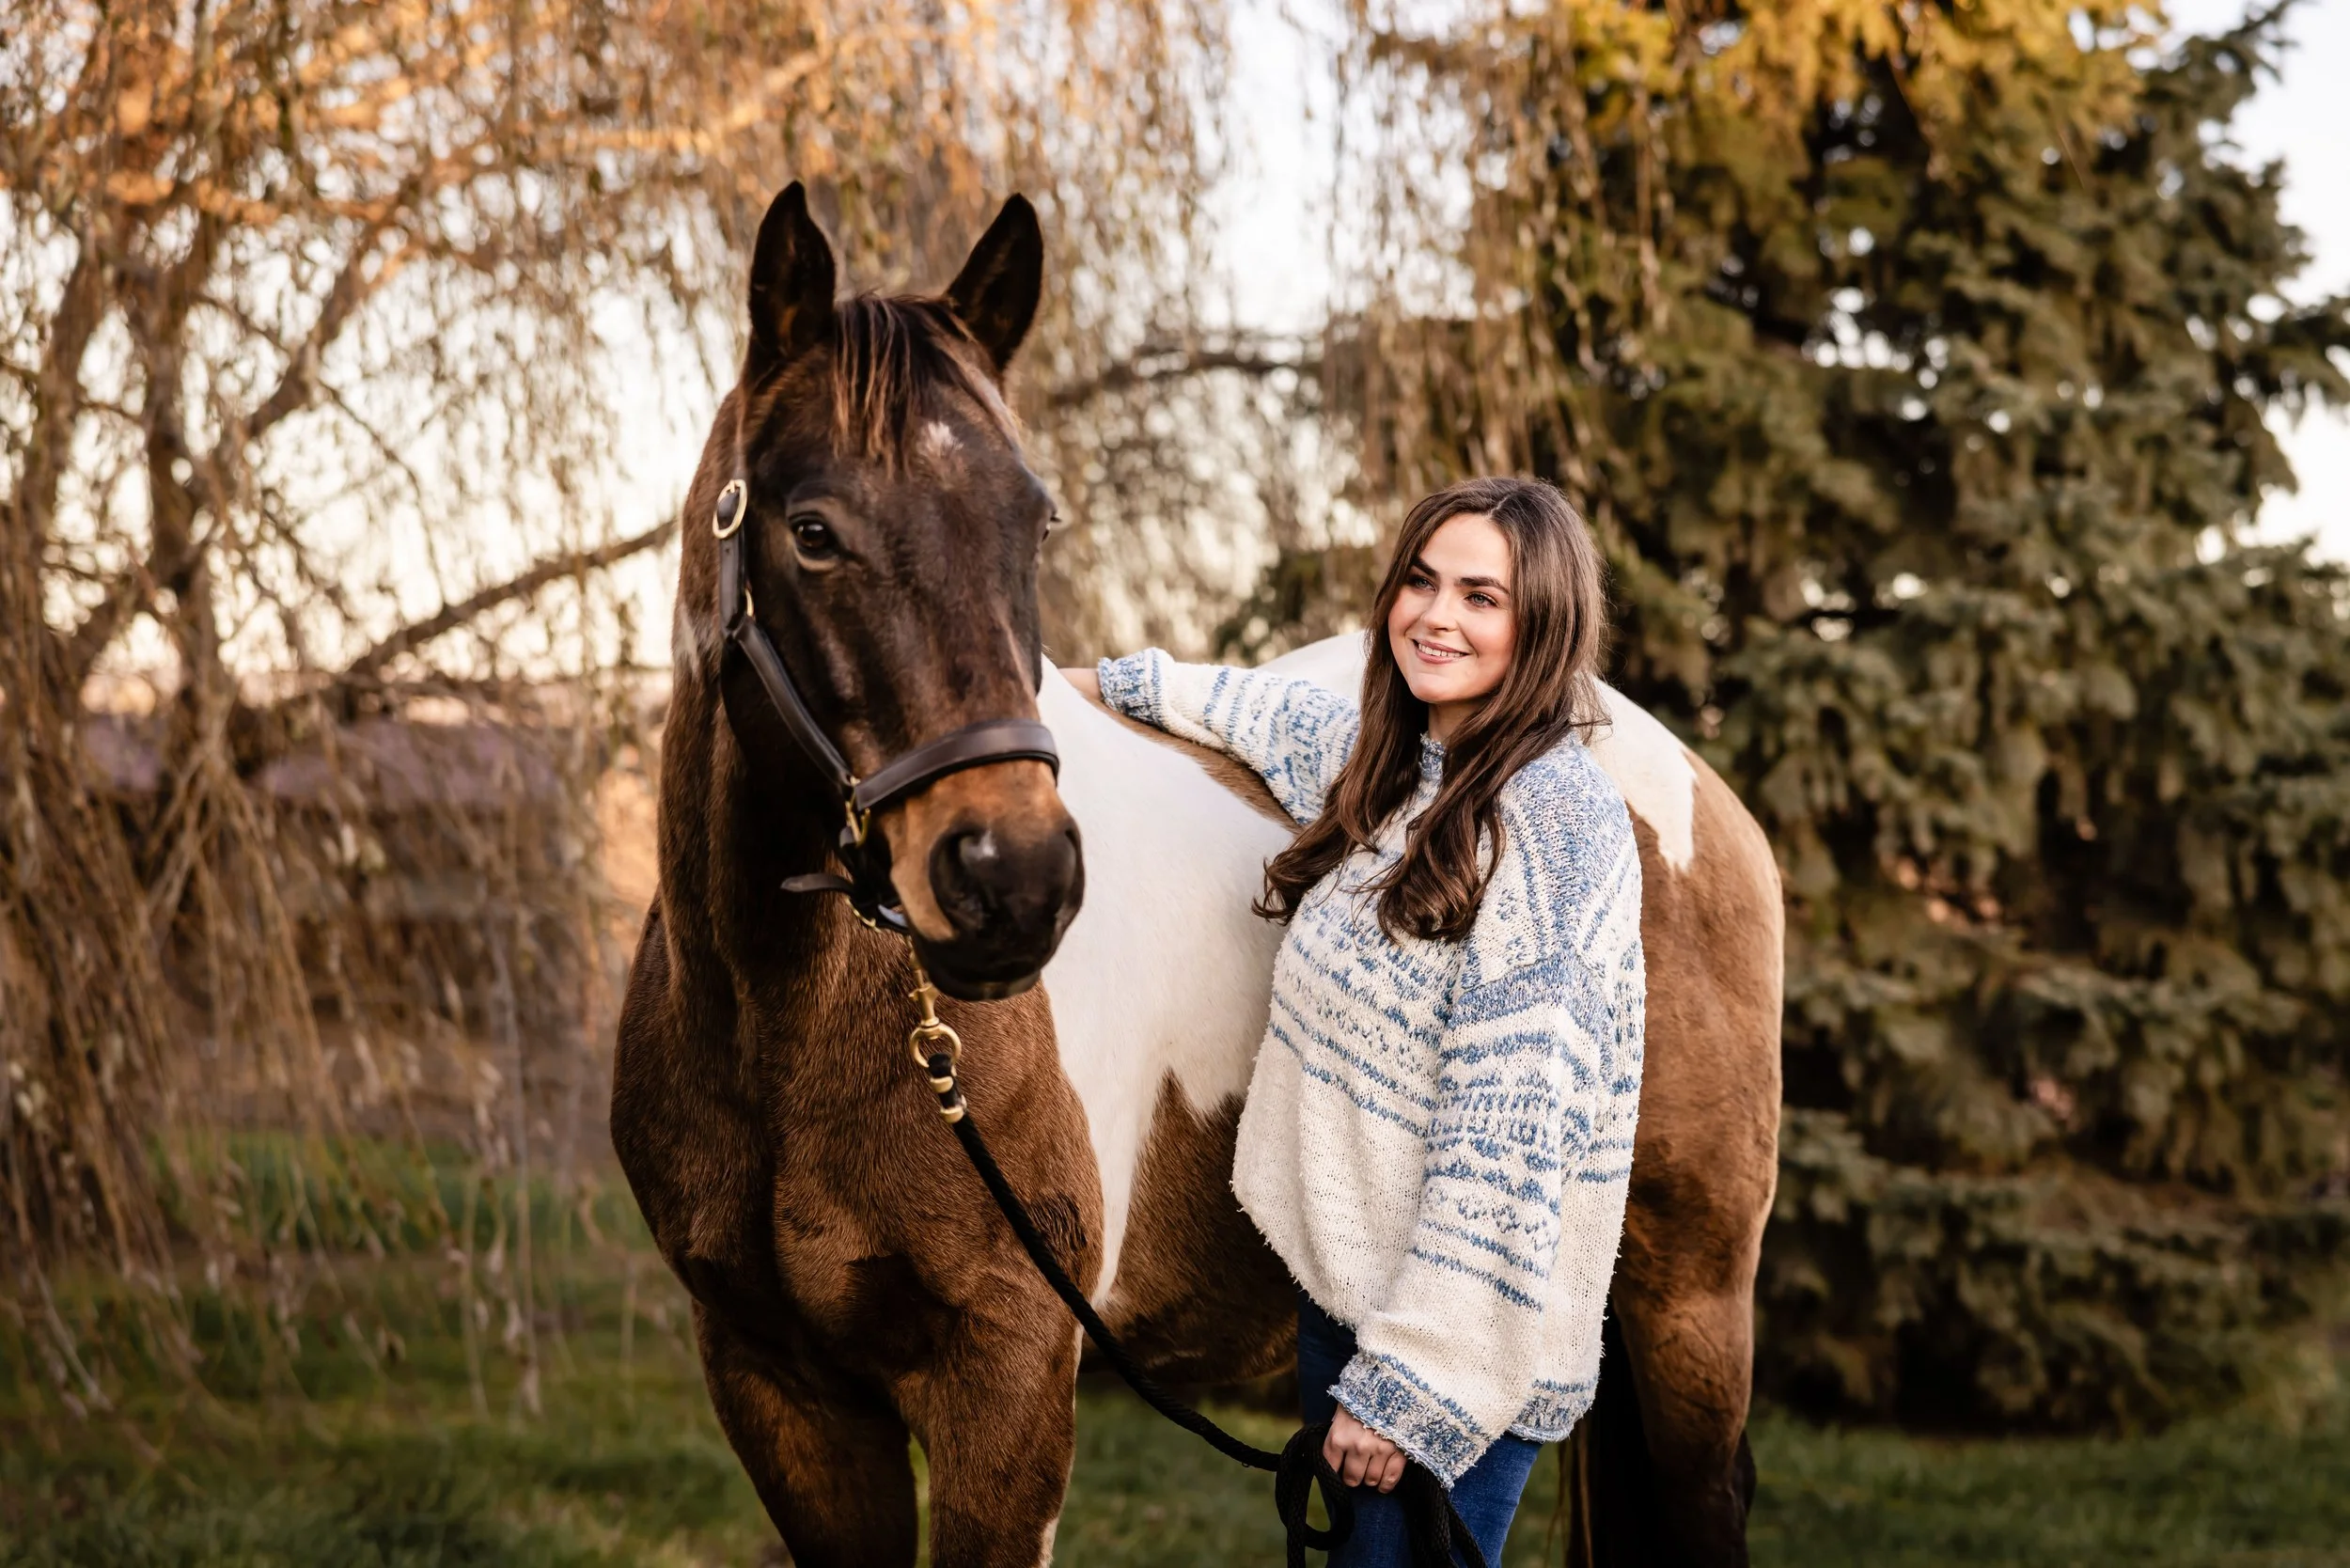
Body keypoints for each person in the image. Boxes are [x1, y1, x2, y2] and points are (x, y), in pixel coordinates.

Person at [1063, 476, 1646, 1564]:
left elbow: (1510, 1139)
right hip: (1357, 1299)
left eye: (1481, 596)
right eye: (1420, 582)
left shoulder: (1557, 823)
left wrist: (1409, 1386)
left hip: (1455, 1340)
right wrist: (1065, 689)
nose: (1437, 616)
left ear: (1545, 623)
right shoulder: (1400, 773)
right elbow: (1260, 712)